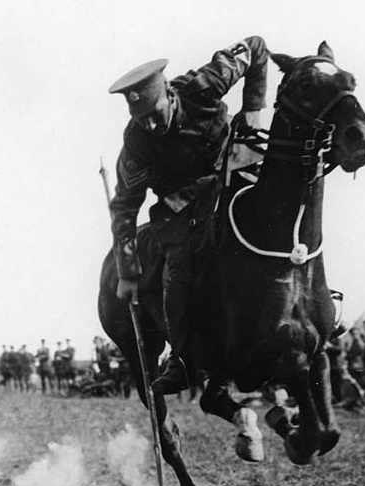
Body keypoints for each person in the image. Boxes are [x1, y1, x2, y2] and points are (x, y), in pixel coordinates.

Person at [107, 36, 268, 394]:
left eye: (154, 114)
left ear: (169, 92)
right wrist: (128, 271)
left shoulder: (204, 86)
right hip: (180, 208)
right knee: (177, 272)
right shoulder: (135, 142)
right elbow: (124, 206)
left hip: (231, 176)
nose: (149, 126)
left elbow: (256, 47)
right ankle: (181, 359)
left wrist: (254, 107)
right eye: (140, 118)